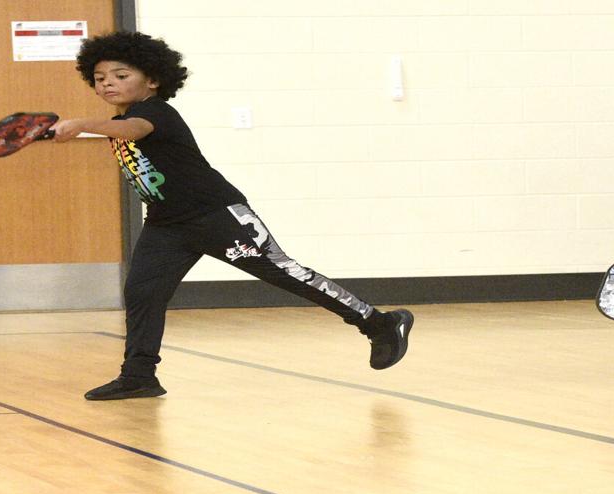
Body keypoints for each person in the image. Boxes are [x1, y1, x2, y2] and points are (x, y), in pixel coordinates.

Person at [51, 31, 414, 401]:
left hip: (217, 217)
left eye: (121, 75)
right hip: (166, 224)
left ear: (153, 80)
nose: (108, 82)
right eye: (99, 78)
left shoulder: (154, 113)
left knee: (287, 273)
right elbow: (122, 130)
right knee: (142, 291)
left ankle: (379, 323)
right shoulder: (122, 118)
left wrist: (82, 124)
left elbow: (132, 130)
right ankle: (139, 376)